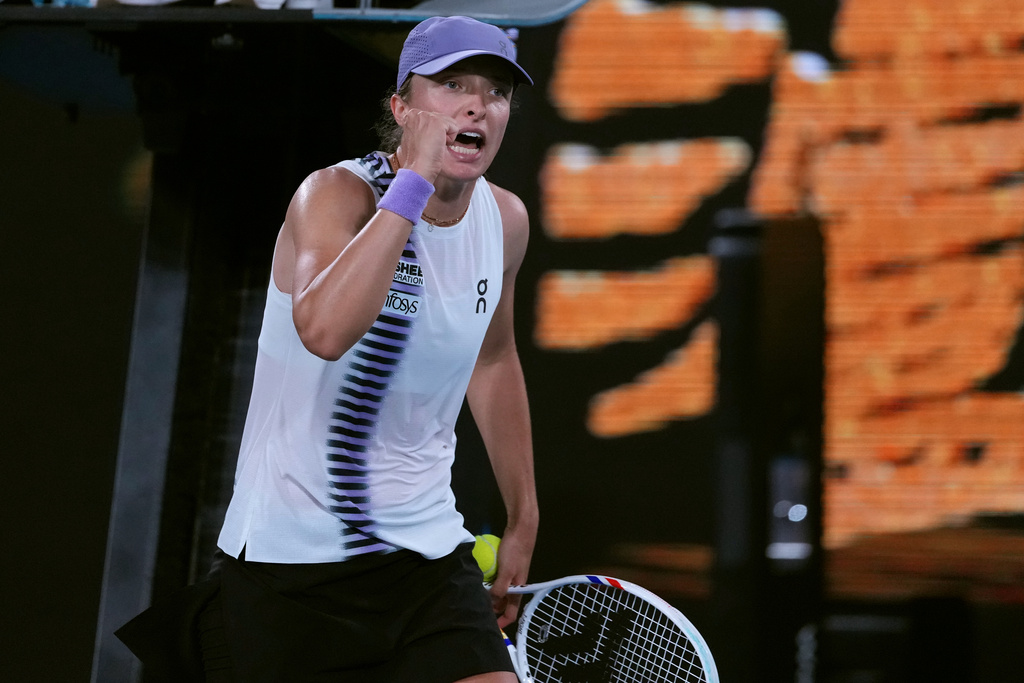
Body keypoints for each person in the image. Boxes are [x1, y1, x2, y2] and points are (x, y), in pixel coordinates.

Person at [117, 15, 537, 683]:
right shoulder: (336, 195)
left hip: (425, 557)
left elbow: (492, 362)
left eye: (496, 91)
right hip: (294, 565)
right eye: (453, 83)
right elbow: (325, 331)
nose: (477, 104)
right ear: (402, 107)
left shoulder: (505, 221)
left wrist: (524, 515)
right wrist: (412, 186)